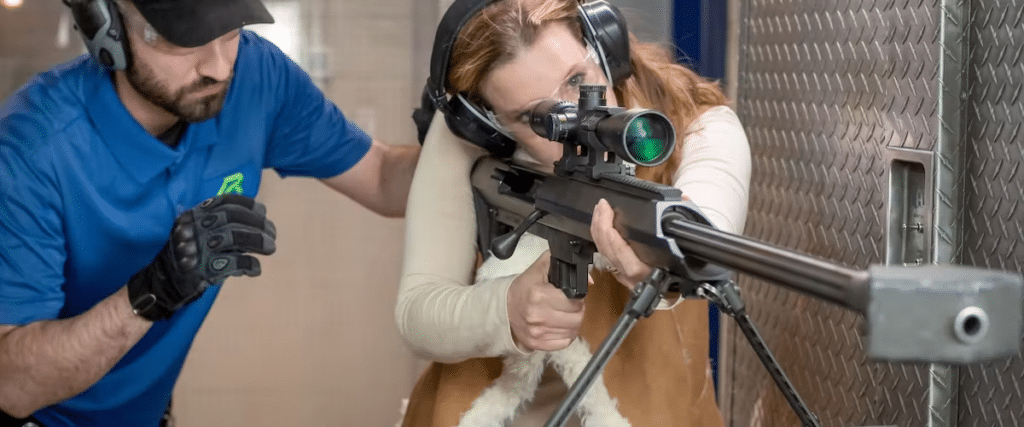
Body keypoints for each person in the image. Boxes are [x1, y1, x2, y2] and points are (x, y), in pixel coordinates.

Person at [0, 0, 419, 425]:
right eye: (184, 38)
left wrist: (461, 143)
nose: (218, 68)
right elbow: (12, 386)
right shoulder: (33, 148)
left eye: (230, 31)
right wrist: (153, 291)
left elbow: (383, 177)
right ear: (104, 25)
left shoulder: (256, 78)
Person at [394, 0, 750, 425]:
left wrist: (669, 259)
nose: (573, 113)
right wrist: (505, 308)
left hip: (652, 405)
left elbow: (708, 225)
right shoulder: (464, 137)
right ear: (489, 124)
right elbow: (417, 311)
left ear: (603, 51)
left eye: (577, 80)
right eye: (533, 116)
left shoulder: (699, 121)